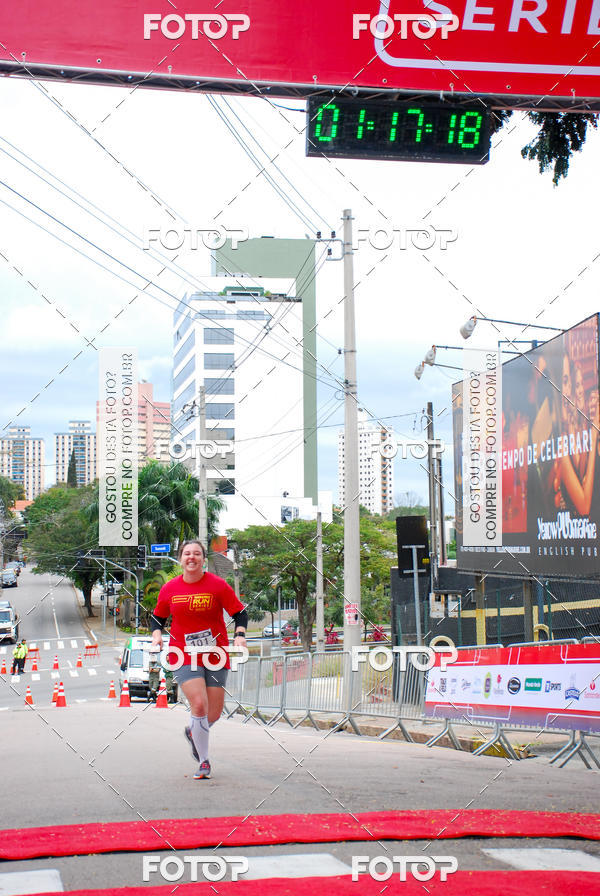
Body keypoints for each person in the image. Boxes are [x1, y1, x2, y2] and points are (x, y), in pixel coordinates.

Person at [150, 540, 247, 780]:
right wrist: (156, 634)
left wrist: (240, 635)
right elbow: (158, 617)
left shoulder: (218, 586)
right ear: (180, 559)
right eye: (186, 554)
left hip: (215, 654)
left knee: (212, 714)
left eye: (196, 554)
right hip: (183, 654)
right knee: (199, 706)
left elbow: (239, 612)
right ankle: (204, 762)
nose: (191, 557)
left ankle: (193, 732)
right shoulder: (170, 588)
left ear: (203, 559)